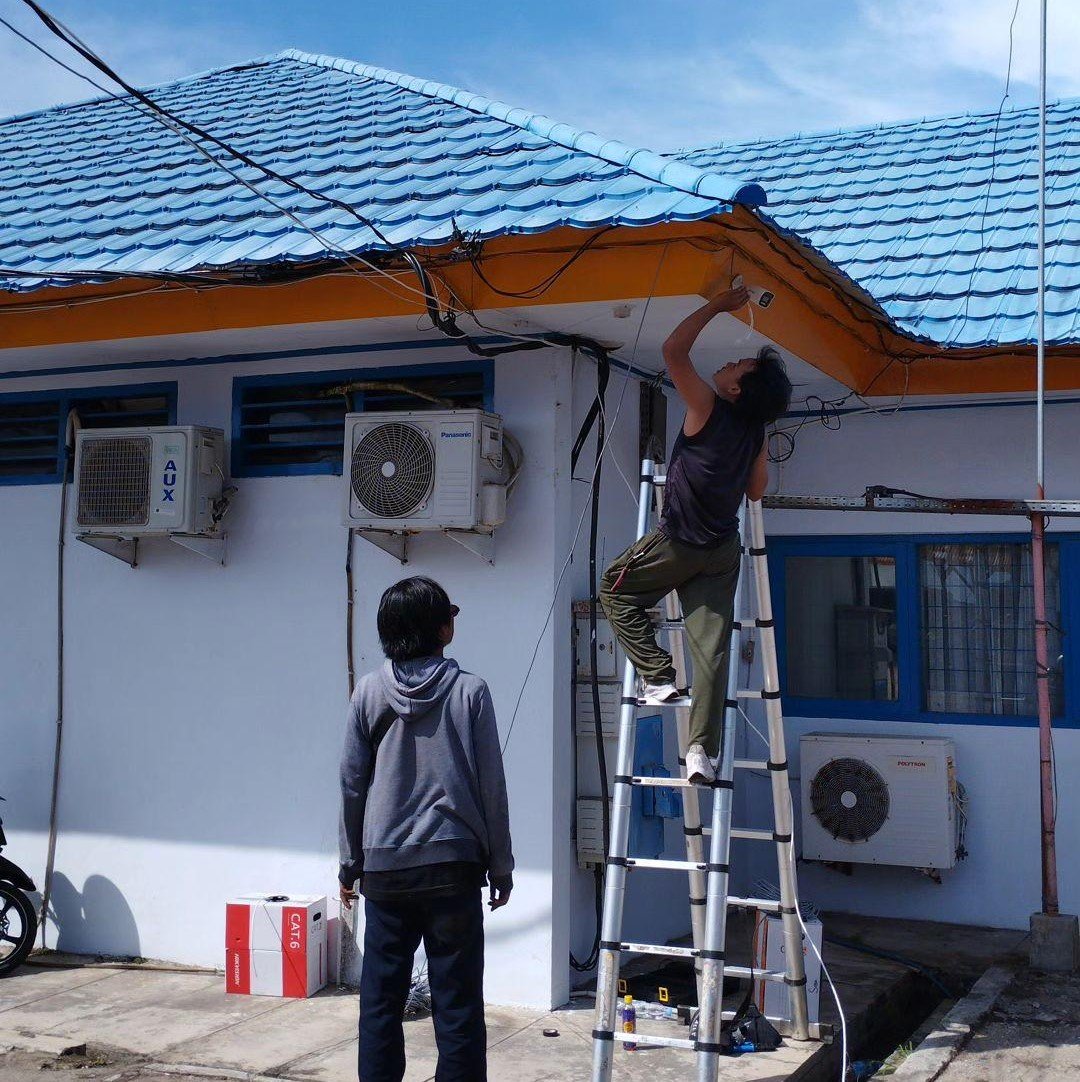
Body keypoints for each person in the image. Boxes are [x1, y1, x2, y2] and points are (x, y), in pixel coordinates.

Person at [600, 285, 792, 785]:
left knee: (614, 589)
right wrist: (760, 441)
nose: (731, 363)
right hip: (722, 551)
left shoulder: (707, 405)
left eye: (740, 366)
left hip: (679, 541)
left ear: (735, 390)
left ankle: (658, 676)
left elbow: (672, 351)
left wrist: (715, 306)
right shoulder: (752, 431)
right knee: (712, 650)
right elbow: (755, 492)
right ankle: (701, 752)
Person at [339, 576, 514, 1082]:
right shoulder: (470, 692)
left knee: (379, 1003)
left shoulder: (368, 693)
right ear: (442, 629)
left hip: (387, 871)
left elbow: (352, 784)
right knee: (457, 1004)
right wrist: (500, 865)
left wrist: (351, 864)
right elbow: (491, 788)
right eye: (450, 615)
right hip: (454, 870)